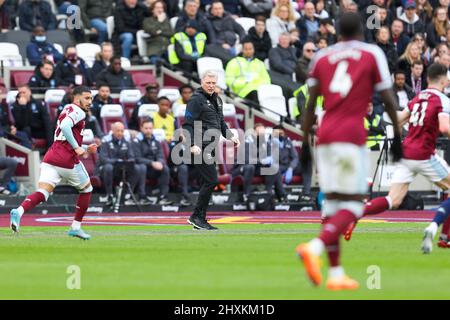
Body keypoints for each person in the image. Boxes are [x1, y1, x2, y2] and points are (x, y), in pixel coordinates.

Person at [296, 12, 403, 291]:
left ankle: (336, 274)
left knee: (331, 206)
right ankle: (314, 247)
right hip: (351, 135)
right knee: (354, 205)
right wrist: (398, 137)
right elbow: (389, 98)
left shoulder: (322, 56)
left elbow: (309, 106)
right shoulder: (371, 53)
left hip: (325, 134)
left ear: (337, 32)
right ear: (361, 30)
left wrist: (305, 144)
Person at [344, 64, 450, 254]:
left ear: (427, 79)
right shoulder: (443, 100)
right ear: (444, 80)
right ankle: (444, 237)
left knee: (393, 199)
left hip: (406, 152)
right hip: (424, 154)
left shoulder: (418, 97)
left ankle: (357, 213)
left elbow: (399, 119)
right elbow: (444, 127)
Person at [9, 86, 98, 240]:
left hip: (51, 157)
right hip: (66, 159)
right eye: (87, 98)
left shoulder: (67, 110)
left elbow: (63, 137)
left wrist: (84, 148)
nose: (90, 102)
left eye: (91, 98)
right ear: (77, 98)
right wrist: (77, 148)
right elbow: (65, 127)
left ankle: (19, 211)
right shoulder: (78, 111)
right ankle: (75, 227)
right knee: (86, 190)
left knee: (43, 192)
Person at [182, 70, 240, 230]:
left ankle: (198, 218)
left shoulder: (218, 100)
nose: (211, 85)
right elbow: (187, 124)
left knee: (209, 181)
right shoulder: (195, 100)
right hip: (199, 146)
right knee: (211, 180)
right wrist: (192, 144)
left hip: (210, 146)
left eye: (213, 83)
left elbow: (221, 122)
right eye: (208, 82)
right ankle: (197, 217)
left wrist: (230, 136)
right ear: (202, 82)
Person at [232, 123, 281, 203]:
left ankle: (268, 193)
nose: (262, 135)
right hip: (241, 168)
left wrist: (270, 159)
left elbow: (268, 156)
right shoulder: (247, 142)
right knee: (250, 167)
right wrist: (262, 161)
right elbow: (247, 160)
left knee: (273, 168)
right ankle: (246, 194)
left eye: (263, 133)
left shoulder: (264, 143)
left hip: (256, 168)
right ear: (254, 132)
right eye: (260, 133)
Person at [97, 122, 139, 206]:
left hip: (120, 168)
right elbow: (103, 159)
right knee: (108, 167)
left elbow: (132, 157)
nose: (120, 133)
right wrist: (117, 161)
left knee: (137, 168)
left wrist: (128, 161)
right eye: (118, 131)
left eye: (122, 131)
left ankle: (128, 195)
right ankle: (109, 195)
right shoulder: (106, 141)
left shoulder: (126, 142)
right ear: (112, 130)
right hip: (106, 168)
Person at [134, 119, 172, 205]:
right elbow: (137, 158)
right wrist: (152, 163)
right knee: (142, 167)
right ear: (141, 128)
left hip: (153, 168)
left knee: (165, 168)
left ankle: (163, 197)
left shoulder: (156, 141)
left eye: (150, 128)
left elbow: (161, 155)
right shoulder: (136, 141)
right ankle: (142, 197)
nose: (148, 130)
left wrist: (160, 162)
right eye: (146, 128)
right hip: (141, 168)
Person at [225, 40, 271, 105]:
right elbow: (229, 80)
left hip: (259, 91)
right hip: (241, 92)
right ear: (242, 50)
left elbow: (267, 80)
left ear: (254, 49)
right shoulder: (234, 62)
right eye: (246, 49)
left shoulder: (260, 63)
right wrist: (245, 83)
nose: (248, 51)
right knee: (254, 94)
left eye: (250, 49)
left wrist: (257, 86)